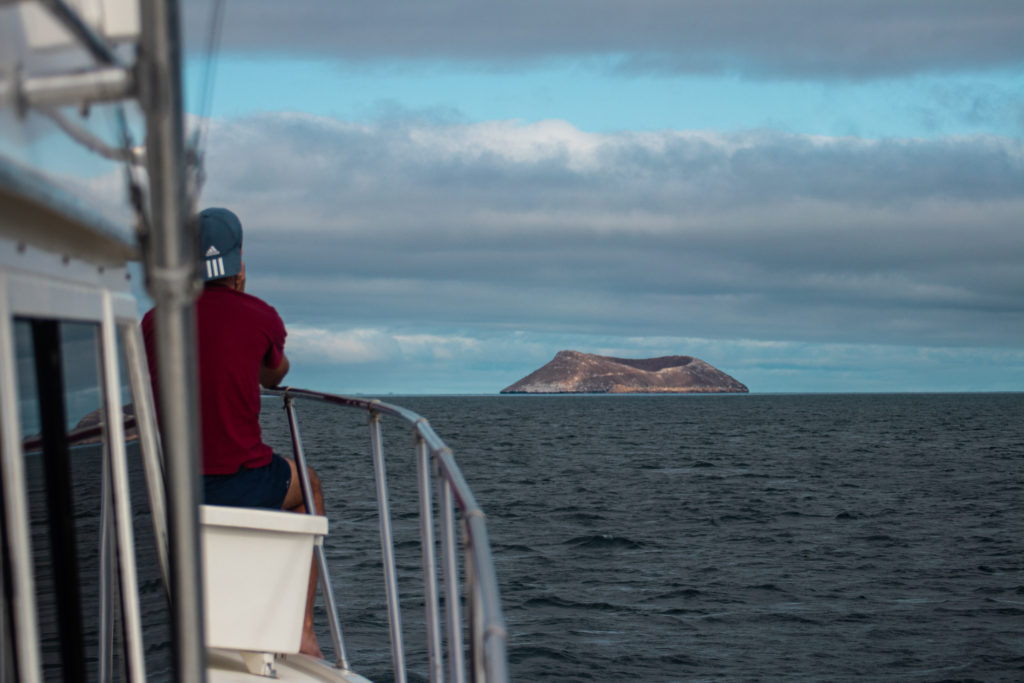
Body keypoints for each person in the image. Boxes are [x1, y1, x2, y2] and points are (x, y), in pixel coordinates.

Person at [142, 207, 324, 658]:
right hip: (241, 480)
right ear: (239, 264)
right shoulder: (260, 316)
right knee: (310, 486)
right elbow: (274, 376)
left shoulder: (153, 319)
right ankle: (302, 630)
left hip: (174, 488)